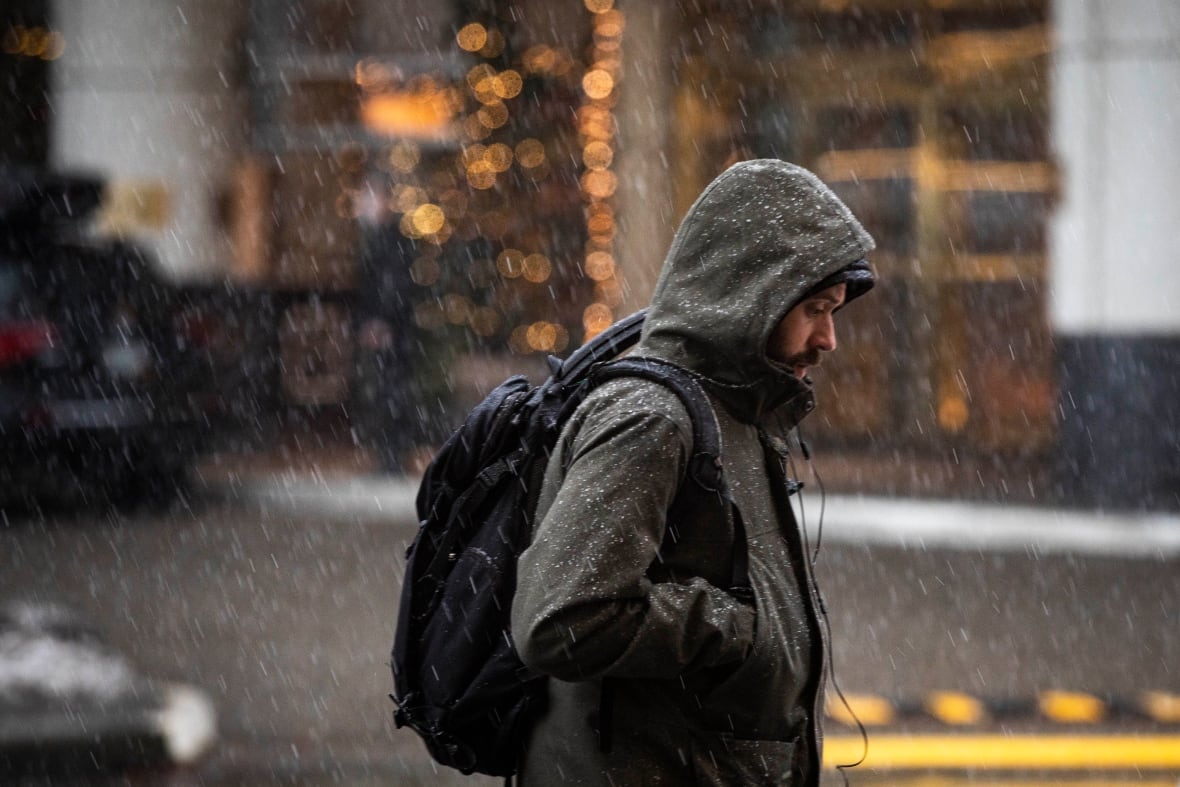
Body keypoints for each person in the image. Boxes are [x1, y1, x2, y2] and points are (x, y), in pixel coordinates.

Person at [509, 159, 877, 786]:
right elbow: (562, 620)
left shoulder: (736, 411)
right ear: (751, 293)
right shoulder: (652, 420)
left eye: (834, 310)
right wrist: (736, 630)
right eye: (815, 308)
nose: (828, 339)